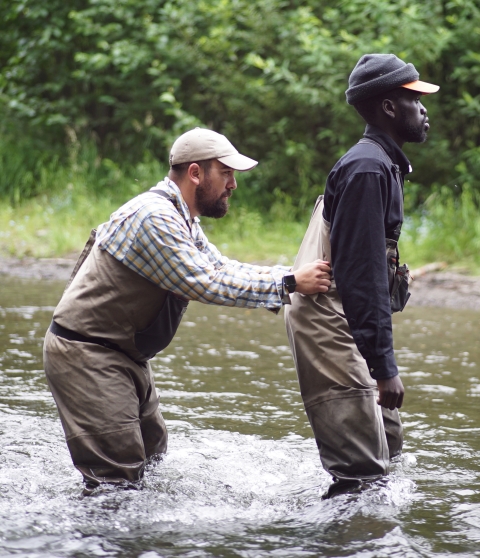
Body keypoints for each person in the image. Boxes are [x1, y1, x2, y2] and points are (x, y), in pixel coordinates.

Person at [43, 128, 331, 494]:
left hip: (121, 354)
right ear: (196, 173)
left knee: (152, 458)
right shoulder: (154, 218)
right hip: (86, 355)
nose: (233, 185)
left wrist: (289, 277)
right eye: (226, 173)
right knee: (115, 480)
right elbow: (205, 284)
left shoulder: (181, 218)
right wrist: (289, 284)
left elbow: (222, 268)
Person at [284, 54, 439, 498]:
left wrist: (378, 360)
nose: (424, 109)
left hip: (348, 316)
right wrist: (384, 367)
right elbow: (362, 275)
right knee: (362, 476)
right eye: (415, 99)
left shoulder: (381, 164)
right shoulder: (367, 168)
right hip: (328, 321)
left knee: (388, 449)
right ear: (389, 108)